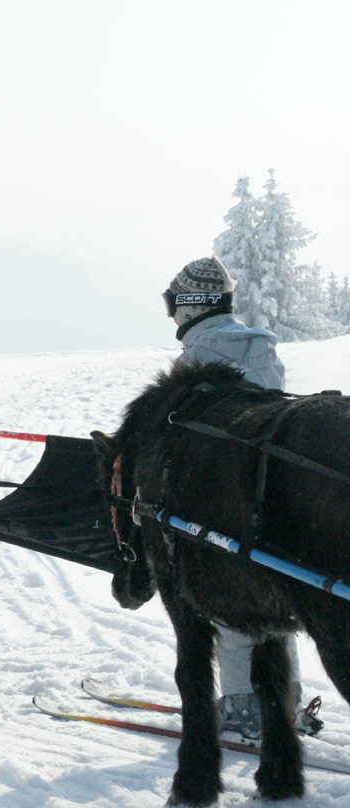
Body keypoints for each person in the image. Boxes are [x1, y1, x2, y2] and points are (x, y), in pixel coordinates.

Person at [164, 256, 321, 738]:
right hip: (273, 493)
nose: (170, 315)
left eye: (172, 304)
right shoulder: (261, 349)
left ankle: (243, 707)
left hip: (221, 497)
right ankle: (285, 698)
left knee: (229, 604)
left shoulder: (196, 361)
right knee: (278, 599)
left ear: (191, 305)